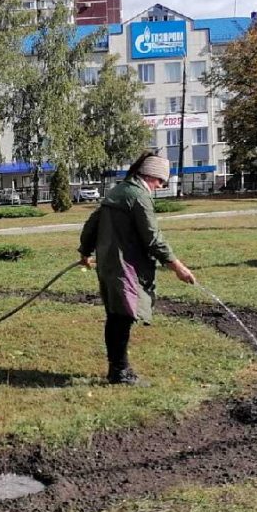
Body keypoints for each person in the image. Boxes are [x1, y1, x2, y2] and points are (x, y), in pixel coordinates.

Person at [78, 152, 196, 386]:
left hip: (109, 263)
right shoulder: (139, 196)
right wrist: (178, 267)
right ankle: (120, 372)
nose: (160, 186)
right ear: (150, 175)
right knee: (122, 316)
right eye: (160, 181)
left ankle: (117, 369)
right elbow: (153, 238)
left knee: (116, 315)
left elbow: (93, 222)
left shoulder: (118, 190)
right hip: (124, 266)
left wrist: (85, 250)